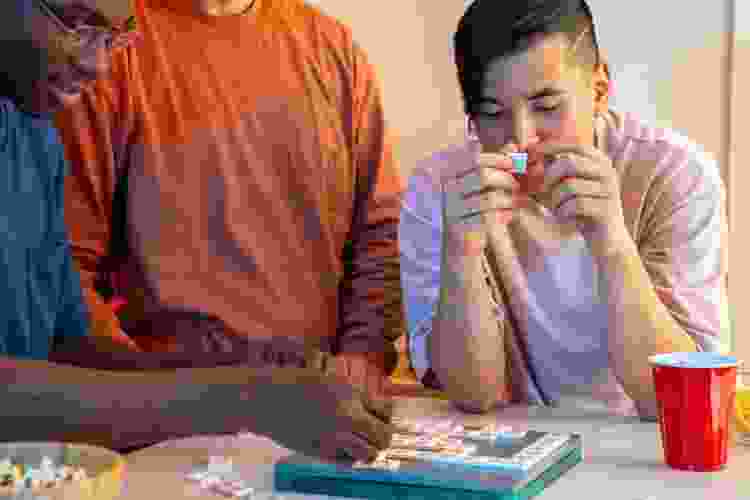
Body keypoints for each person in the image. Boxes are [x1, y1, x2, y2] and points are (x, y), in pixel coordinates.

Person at [0, 0, 393, 462]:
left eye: (115, 35)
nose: (99, 64)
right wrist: (242, 400)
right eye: (76, 23)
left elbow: (72, 349)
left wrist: (244, 370)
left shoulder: (34, 134)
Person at [400, 0, 730, 418]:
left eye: (547, 107)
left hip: (644, 450)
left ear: (598, 89)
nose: (520, 139)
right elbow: (473, 397)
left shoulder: (673, 173)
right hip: (509, 444)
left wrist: (612, 245)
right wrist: (461, 256)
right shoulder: (440, 187)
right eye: (492, 114)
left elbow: (680, 398)